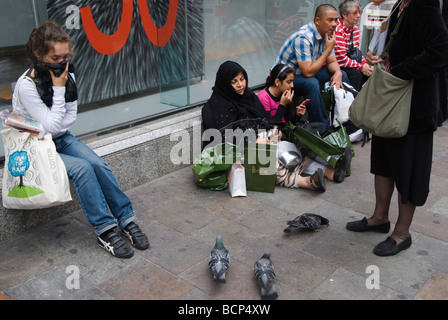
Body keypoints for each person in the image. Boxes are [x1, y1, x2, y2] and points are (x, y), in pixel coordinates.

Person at [14, 21, 149, 259]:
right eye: (56, 58)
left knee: (97, 163)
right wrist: (58, 89)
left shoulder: (67, 71)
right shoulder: (26, 86)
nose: (62, 63)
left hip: (59, 138)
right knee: (83, 169)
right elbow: (55, 123)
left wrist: (54, 119)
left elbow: (68, 119)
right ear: (39, 54)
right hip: (35, 146)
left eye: (65, 56)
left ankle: (126, 219)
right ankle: (105, 231)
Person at [346, 0, 448, 256]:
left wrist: (400, 71)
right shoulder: (402, 4)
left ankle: (402, 233)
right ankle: (380, 217)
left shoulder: (424, 5)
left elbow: (440, 51)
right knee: (383, 162)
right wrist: (380, 57)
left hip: (414, 106)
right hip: (391, 100)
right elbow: (399, 43)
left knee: (408, 168)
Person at [202, 60, 326, 192]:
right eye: (234, 82)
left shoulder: (248, 96)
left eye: (242, 79)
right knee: (266, 157)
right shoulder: (218, 105)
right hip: (234, 150)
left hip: (256, 138)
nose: (240, 85)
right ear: (226, 83)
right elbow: (224, 138)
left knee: (287, 145)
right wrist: (252, 141)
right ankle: (305, 182)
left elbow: (264, 120)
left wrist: (271, 130)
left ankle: (326, 170)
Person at [257, 63, 351, 184]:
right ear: (277, 82)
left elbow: (289, 122)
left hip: (287, 130)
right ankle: (334, 160)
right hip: (276, 135)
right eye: (289, 82)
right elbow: (270, 126)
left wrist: (297, 114)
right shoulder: (263, 97)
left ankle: (334, 161)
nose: (292, 85)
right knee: (305, 137)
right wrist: (282, 105)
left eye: (292, 82)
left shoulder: (284, 93)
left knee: (321, 127)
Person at [272, 4, 350, 129]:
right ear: (317, 21)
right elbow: (308, 72)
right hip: (284, 79)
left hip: (302, 73)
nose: (335, 24)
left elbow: (331, 62)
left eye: (336, 20)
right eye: (330, 20)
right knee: (311, 83)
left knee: (343, 75)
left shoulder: (328, 33)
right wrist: (328, 50)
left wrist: (338, 72)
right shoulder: (303, 37)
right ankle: (321, 127)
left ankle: (343, 121)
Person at [334, 0, 374, 91]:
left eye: (360, 12)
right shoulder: (337, 29)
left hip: (348, 63)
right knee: (355, 74)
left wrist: (365, 64)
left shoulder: (355, 29)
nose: (359, 15)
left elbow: (355, 53)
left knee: (369, 73)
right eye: (355, 13)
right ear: (344, 15)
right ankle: (353, 102)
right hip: (336, 64)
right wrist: (361, 67)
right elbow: (341, 59)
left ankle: (362, 100)